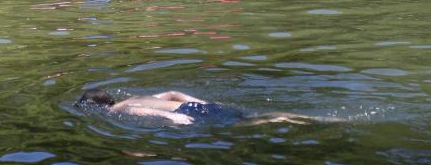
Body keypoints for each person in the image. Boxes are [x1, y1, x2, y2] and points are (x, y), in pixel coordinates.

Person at [75, 89, 336, 126]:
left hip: (186, 113)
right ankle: (304, 116)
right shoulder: (139, 95)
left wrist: (173, 118)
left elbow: (142, 113)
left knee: (247, 124)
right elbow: (172, 91)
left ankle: (282, 120)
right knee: (252, 116)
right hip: (193, 105)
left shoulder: (118, 109)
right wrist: (200, 102)